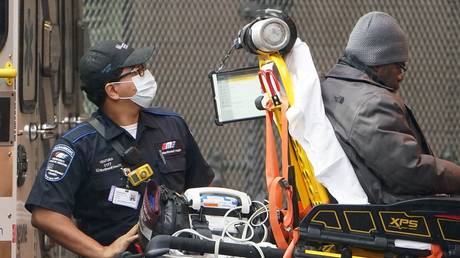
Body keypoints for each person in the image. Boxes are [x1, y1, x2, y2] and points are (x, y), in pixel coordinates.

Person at [25, 40, 214, 258]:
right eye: (137, 71)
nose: (147, 75)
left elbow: (201, 189)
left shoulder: (172, 125)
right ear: (113, 90)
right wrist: (103, 252)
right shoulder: (78, 145)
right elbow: (45, 214)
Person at [321, 11, 460, 204]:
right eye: (400, 66)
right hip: (390, 211)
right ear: (377, 63)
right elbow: (408, 172)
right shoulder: (373, 103)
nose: (402, 76)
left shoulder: (333, 85)